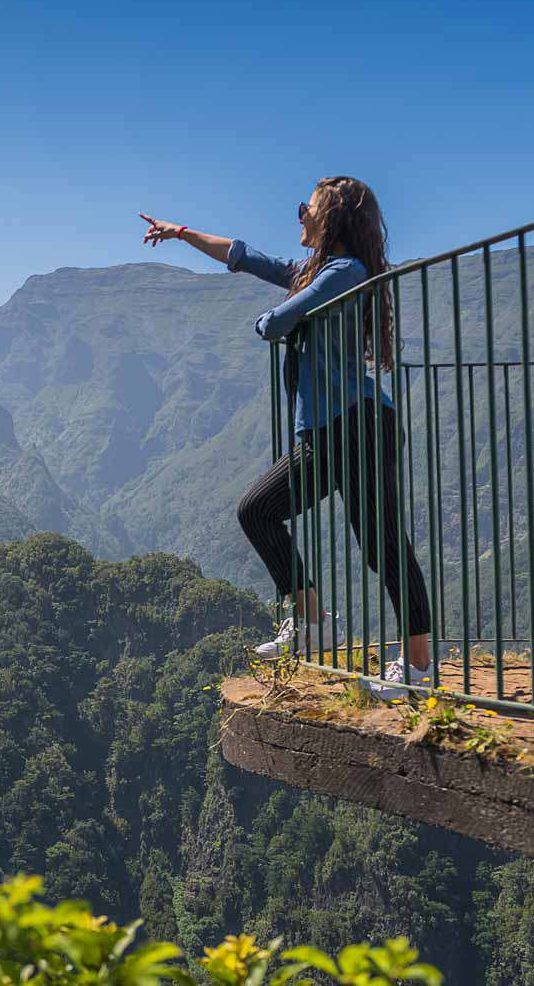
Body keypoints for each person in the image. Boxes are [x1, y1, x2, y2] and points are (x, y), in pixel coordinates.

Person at [138, 177, 434, 700]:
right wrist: (181, 233)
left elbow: (281, 321)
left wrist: (267, 321)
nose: (299, 217)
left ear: (333, 219)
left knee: (382, 546)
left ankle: (417, 668)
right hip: (327, 431)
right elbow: (242, 255)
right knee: (258, 510)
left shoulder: (346, 272)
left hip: (357, 426)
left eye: (307, 209)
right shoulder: (316, 271)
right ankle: (314, 621)